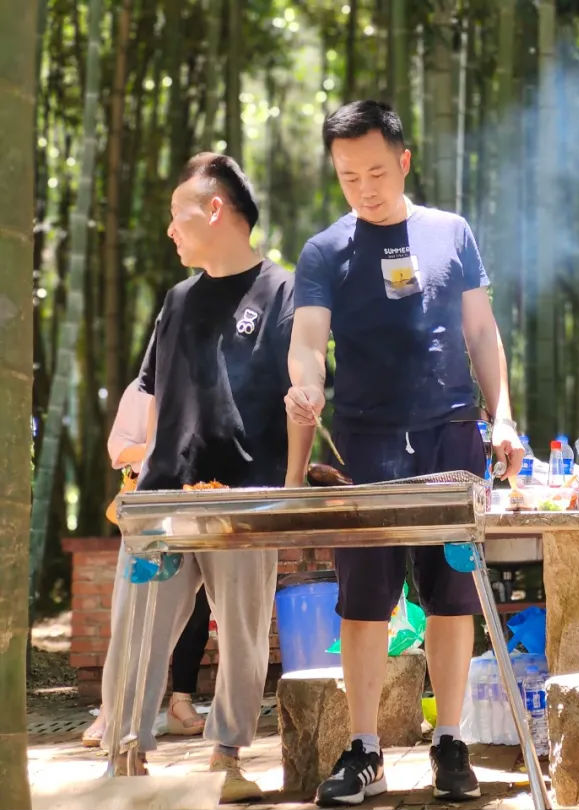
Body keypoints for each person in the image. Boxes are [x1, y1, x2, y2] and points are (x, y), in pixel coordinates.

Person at [285, 100, 523, 806]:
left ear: (405, 161)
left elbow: (482, 334)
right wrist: (305, 388)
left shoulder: (451, 234)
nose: (364, 187)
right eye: (348, 175)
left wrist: (501, 415)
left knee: (452, 597)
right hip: (364, 442)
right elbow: (307, 340)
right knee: (362, 602)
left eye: (377, 172)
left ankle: (451, 742)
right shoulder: (326, 250)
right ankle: (364, 750)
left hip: (451, 435)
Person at [100, 153, 305, 803]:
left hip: (247, 493)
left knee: (242, 631)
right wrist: (137, 464)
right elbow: (154, 393)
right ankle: (125, 755)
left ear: (215, 210)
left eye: (175, 215)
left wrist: (294, 484)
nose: (169, 230)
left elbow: (301, 395)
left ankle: (227, 755)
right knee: (136, 626)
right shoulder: (178, 300)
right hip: (163, 494)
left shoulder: (283, 292)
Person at [82, 381, 210, 747]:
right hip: (153, 509)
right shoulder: (142, 388)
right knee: (135, 614)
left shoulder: (222, 375)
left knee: (199, 612)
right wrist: (161, 448)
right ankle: (113, 713)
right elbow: (117, 450)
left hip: (208, 501)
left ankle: (180, 701)